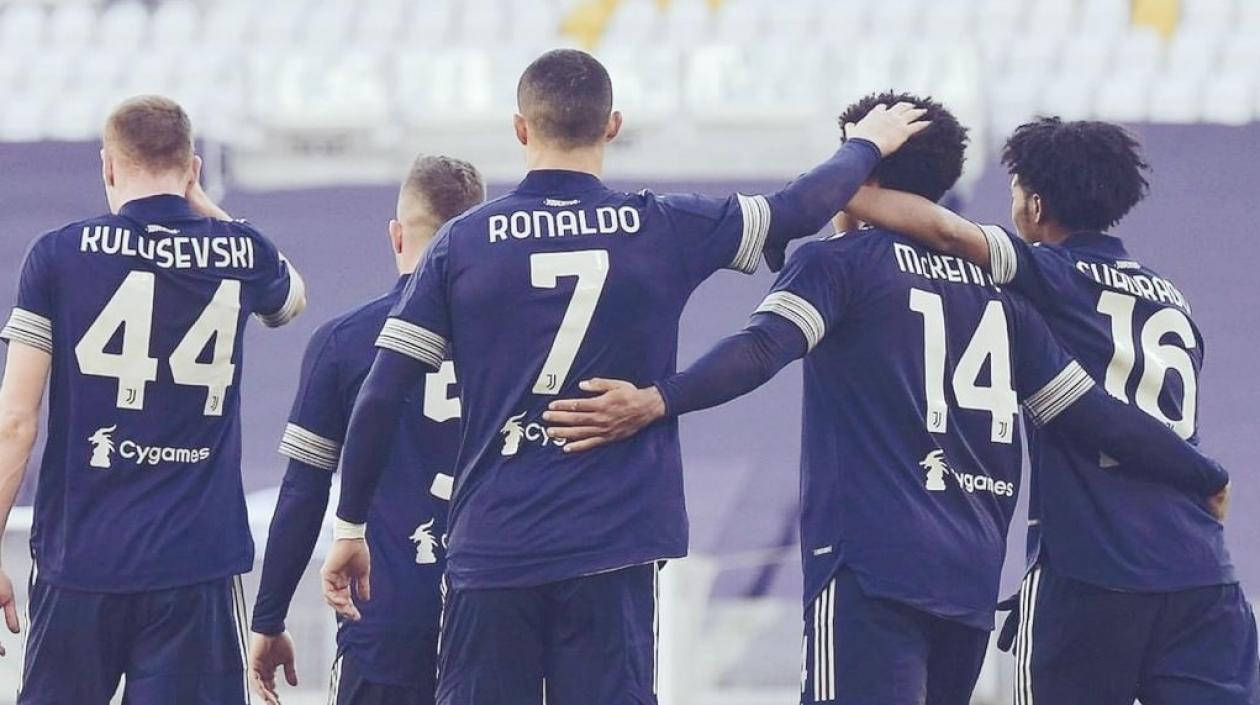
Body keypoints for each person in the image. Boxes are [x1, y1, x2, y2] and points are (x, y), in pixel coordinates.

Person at [541, 93, 1231, 705]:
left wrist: (658, 398)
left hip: (873, 565)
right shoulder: (1005, 299)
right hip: (970, 580)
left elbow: (759, 350)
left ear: (862, 177)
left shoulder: (843, 264)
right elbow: (1093, 414)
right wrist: (1200, 471)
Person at [320, 50, 930, 705]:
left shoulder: (462, 242)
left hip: (494, 546)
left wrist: (351, 526)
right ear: (612, 125)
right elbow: (797, 210)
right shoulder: (660, 224)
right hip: (613, 543)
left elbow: (382, 392)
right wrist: (867, 144)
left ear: (521, 129)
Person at [833, 116, 1259, 705]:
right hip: (1202, 576)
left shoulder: (1050, 274)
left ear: (1034, 204)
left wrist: (843, 188)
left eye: (1013, 191)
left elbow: (950, 234)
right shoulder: (1172, 299)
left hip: (1092, 567)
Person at [0, 95, 305, 704]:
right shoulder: (242, 252)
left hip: (81, 558)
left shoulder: (57, 255)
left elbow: (15, 420)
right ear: (192, 167)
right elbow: (291, 298)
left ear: (108, 167)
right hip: (196, 563)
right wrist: (208, 212)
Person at [247, 155, 484, 705]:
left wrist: (270, 616)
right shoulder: (521, 337)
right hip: (498, 614)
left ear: (397, 236)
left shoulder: (346, 341)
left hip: (386, 620)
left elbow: (304, 491)